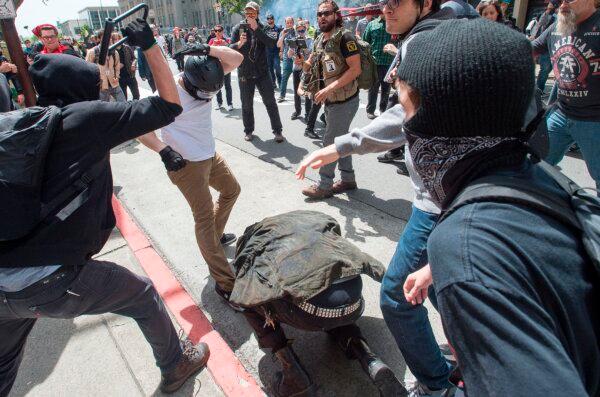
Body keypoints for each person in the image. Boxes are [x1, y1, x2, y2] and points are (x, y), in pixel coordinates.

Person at [0, 18, 209, 395]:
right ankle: (177, 363)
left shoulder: (18, 125)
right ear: (82, 90)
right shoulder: (86, 118)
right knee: (143, 295)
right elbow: (167, 106)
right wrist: (150, 46)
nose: (103, 90)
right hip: (50, 279)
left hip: (3, 279)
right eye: (96, 85)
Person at [397, 19, 600, 396]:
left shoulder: (464, 244)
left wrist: (464, 259)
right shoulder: (536, 172)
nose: (404, 132)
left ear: (447, 119)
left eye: (407, 111)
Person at [296, 0, 458, 395]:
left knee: (398, 296)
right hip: (440, 196)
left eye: (396, 2)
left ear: (426, 5)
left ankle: (437, 385)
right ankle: (463, 347)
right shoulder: (422, 35)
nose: (386, 9)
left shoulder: (429, 42)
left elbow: (407, 113)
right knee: (439, 286)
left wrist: (340, 145)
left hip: (441, 200)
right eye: (382, 1)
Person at [232, 211, 404, 397]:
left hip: (312, 313)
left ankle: (294, 376)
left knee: (251, 305)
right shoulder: (311, 220)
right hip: (354, 299)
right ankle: (369, 358)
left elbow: (244, 294)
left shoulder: (255, 246)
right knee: (331, 293)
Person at [138, 43, 242, 304]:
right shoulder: (167, 92)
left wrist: (209, 48)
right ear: (188, 79)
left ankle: (214, 240)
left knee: (232, 190)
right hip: (185, 165)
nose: (206, 96)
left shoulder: (209, 74)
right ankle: (226, 284)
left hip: (208, 154)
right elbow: (140, 129)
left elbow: (237, 58)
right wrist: (163, 150)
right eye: (202, 92)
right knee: (204, 218)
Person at [532, 0, 599, 191]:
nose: (562, 4)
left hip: (594, 120)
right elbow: (530, 49)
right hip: (561, 114)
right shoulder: (557, 27)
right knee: (538, 166)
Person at [299, 0, 362, 200]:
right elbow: (312, 63)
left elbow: (355, 69)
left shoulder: (345, 37)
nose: (322, 17)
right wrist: (303, 64)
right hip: (330, 100)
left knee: (329, 142)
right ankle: (348, 179)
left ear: (336, 15)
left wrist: (329, 88)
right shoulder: (320, 39)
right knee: (341, 140)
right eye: (319, 14)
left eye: (326, 13)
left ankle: (324, 185)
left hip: (344, 100)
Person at [230, 1, 284, 143]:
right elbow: (230, 48)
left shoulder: (264, 27)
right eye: (247, 12)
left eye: (252, 12)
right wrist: (239, 44)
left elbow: (272, 43)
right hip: (245, 72)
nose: (249, 15)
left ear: (257, 14)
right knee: (246, 104)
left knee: (270, 102)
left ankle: (277, 131)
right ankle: (248, 130)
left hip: (262, 72)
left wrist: (256, 29)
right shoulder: (239, 28)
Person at [363, 14, 393, 119]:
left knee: (386, 88)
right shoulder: (372, 24)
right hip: (374, 62)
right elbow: (365, 42)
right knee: (373, 88)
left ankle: (383, 110)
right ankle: (370, 110)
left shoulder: (393, 22)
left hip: (389, 62)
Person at [86, 30, 126, 102]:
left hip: (114, 83)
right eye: (105, 37)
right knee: (104, 110)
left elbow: (117, 66)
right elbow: (87, 69)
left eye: (110, 37)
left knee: (123, 103)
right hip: (102, 87)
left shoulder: (114, 51)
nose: (109, 39)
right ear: (99, 39)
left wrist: (117, 76)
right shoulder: (92, 52)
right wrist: (95, 83)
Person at [529, 1, 558, 92]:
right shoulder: (546, 15)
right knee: (544, 69)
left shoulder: (559, 16)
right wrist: (548, 11)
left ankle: (539, 90)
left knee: (551, 71)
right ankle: (538, 90)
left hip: (555, 47)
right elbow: (540, 24)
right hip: (545, 46)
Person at [290, 21, 314, 121]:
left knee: (307, 91)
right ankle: (297, 111)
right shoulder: (293, 40)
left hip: (306, 69)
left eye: (302, 30)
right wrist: (291, 53)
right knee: (297, 92)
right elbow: (289, 55)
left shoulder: (310, 40)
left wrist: (304, 50)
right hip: (296, 68)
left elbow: (312, 53)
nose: (300, 32)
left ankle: (308, 113)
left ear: (305, 29)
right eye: (298, 30)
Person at [209, 24, 234, 111]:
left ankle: (230, 103)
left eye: (219, 31)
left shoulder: (227, 40)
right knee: (217, 86)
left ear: (222, 32)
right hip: (215, 67)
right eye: (215, 31)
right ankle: (219, 102)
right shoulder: (212, 40)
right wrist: (213, 46)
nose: (217, 32)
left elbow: (232, 51)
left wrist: (225, 44)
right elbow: (207, 52)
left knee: (227, 85)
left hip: (226, 65)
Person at [277, 17, 296, 102]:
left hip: (296, 56)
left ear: (293, 23)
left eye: (291, 22)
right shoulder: (283, 32)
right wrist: (283, 35)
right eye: (287, 23)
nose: (289, 24)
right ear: (285, 23)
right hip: (287, 57)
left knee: (297, 76)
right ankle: (282, 95)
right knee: (285, 75)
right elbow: (279, 44)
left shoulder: (296, 31)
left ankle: (298, 95)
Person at [116, 34, 140, 100]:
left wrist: (133, 64)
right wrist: (117, 66)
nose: (117, 41)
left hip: (130, 75)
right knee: (123, 98)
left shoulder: (126, 47)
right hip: (119, 78)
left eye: (118, 39)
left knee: (136, 95)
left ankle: (135, 109)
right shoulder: (112, 51)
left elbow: (134, 58)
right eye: (115, 39)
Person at [265, 14, 283, 89]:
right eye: (268, 19)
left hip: (276, 51)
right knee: (270, 68)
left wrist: (281, 50)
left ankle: (280, 82)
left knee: (277, 67)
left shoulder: (278, 28)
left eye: (271, 19)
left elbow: (282, 40)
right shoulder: (265, 28)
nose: (270, 20)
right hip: (268, 51)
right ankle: (273, 82)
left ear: (273, 19)